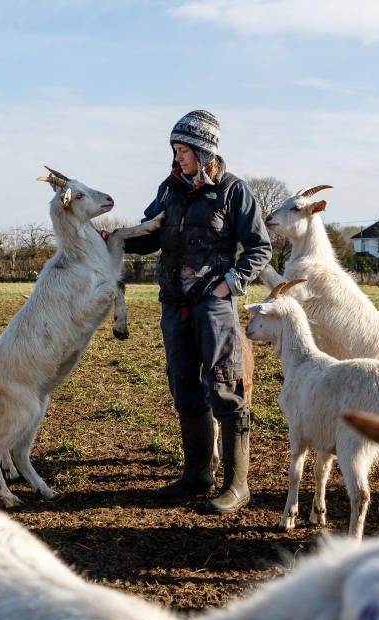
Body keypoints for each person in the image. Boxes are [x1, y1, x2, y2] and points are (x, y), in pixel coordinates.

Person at [125, 110, 272, 513]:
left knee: (226, 386)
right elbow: (149, 235)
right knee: (185, 387)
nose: (177, 157)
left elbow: (259, 248)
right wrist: (112, 239)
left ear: (205, 152)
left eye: (184, 149)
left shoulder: (232, 191)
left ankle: (236, 485)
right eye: (174, 149)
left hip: (214, 305)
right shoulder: (169, 189)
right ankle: (196, 475)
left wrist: (230, 283)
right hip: (174, 305)